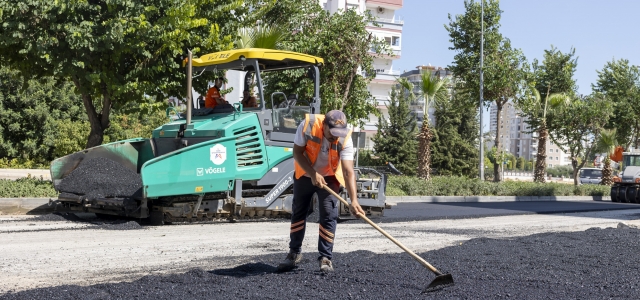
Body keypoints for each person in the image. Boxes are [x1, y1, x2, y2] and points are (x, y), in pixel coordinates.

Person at [277, 110, 365, 273]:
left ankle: (325, 258)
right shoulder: (307, 126)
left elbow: (348, 171)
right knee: (298, 212)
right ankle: (294, 253)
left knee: (329, 214)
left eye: (339, 133)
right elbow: (297, 153)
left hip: (330, 176)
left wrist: (354, 200)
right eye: (332, 133)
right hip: (305, 173)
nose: (335, 137)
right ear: (324, 125)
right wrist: (312, 174)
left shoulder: (345, 137)